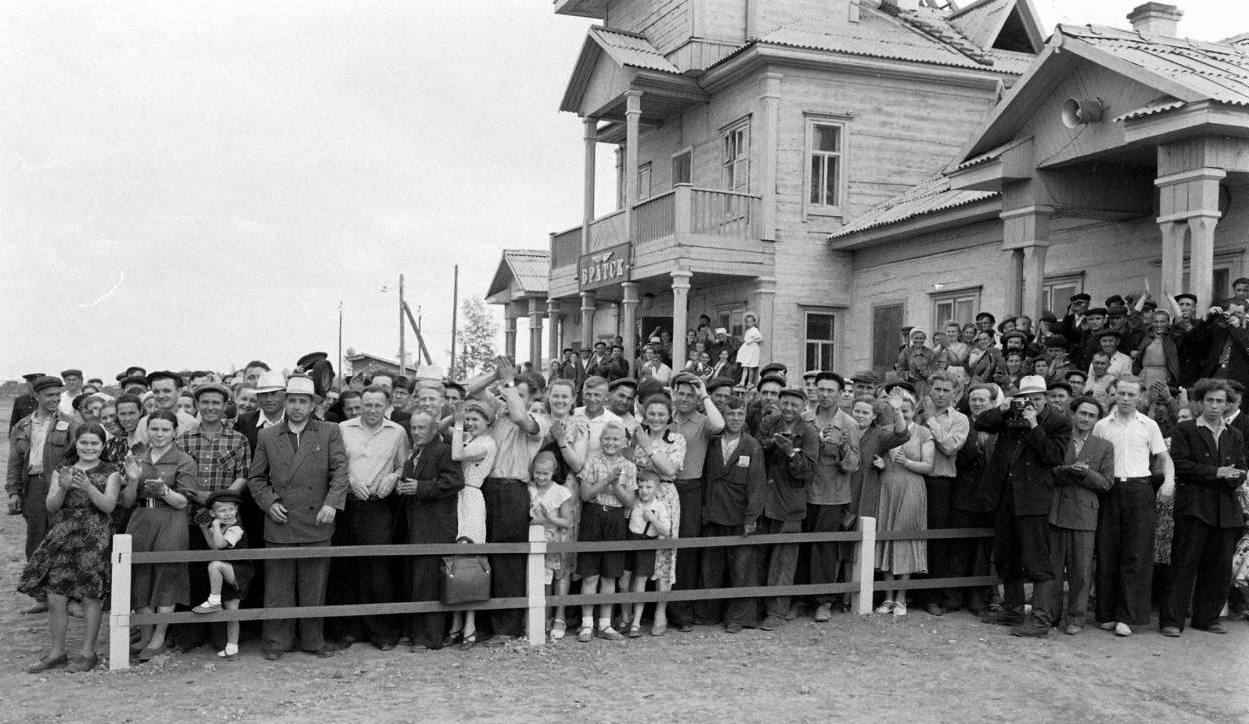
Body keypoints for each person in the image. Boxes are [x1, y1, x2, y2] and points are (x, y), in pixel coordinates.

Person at [247, 374, 349, 660]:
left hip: (317, 521)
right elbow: (256, 478)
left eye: (303, 401)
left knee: (313, 585)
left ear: (313, 404)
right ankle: (277, 642)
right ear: (284, 402)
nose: (296, 407)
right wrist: (269, 503)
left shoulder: (329, 431)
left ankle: (313, 641)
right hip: (280, 521)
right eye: (291, 400)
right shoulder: (267, 435)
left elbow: (340, 471)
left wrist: (331, 503)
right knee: (278, 588)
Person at [975, 375, 1071, 637]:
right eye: (1027, 399)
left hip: (1033, 499)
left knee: (1037, 560)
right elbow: (981, 423)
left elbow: (1053, 456)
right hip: (1005, 497)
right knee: (1006, 556)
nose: (1032, 403)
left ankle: (1040, 620)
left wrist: (1034, 425)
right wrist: (1002, 408)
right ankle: (1012, 610)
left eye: (1038, 398)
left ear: (1046, 397)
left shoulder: (1058, 422)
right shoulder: (1009, 414)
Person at [19, 424, 120, 673]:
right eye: (84, 443)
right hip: (64, 533)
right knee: (56, 594)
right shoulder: (62, 471)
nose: (89, 448)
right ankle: (57, 652)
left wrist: (87, 487)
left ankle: (88, 653)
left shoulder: (111, 472)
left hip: (94, 535)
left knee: (90, 595)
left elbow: (108, 506)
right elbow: (51, 506)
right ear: (76, 443)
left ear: (102, 445)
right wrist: (63, 486)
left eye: (94, 443)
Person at [467, 358, 550, 643]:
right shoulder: (500, 410)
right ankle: (484, 623)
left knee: (509, 559)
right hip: (487, 487)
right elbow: (472, 390)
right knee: (484, 553)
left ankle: (507, 626)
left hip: (513, 490)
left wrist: (510, 383)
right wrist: (495, 374)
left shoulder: (538, 420)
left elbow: (519, 416)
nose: (511, 394)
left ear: (533, 398)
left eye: (521, 393)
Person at [1161, 378, 1247, 636]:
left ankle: (1206, 618)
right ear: (1200, 402)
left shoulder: (1235, 434)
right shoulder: (1185, 430)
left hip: (1225, 510)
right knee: (1184, 565)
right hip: (1195, 507)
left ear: (1227, 405)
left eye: (1220, 401)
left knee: (1219, 568)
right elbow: (1181, 465)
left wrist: (1237, 476)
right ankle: (1171, 621)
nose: (1214, 406)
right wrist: (1217, 472)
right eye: (1209, 400)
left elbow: (1241, 466)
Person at [1092, 376, 1174, 637]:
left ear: (1139, 397)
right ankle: (1105, 613)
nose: (1126, 399)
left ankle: (1128, 617)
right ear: (1114, 394)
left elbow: (1164, 457)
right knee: (1107, 550)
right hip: (1109, 489)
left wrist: (1168, 482)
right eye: (1122, 394)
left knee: (1136, 553)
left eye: (1131, 395)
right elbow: (1093, 459)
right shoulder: (1102, 426)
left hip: (1140, 490)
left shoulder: (1148, 425)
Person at [175, 382, 252, 653]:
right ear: (197, 405)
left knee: (224, 575)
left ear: (225, 406)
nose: (210, 407)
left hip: (226, 522)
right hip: (193, 517)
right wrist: (205, 501)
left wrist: (222, 502)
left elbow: (244, 475)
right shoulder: (183, 439)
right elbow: (181, 481)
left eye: (216, 403)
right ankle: (192, 634)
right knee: (195, 574)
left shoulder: (238, 439)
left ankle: (221, 635)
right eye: (205, 402)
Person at [336, 385, 408, 650]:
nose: (372, 410)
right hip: (348, 502)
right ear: (360, 405)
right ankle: (349, 630)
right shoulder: (344, 429)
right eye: (368, 405)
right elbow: (336, 464)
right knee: (347, 567)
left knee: (378, 569)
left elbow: (405, 465)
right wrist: (351, 480)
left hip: (378, 505)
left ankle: (382, 632)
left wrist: (393, 476)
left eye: (378, 405)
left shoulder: (397, 432)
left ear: (387, 406)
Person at [123, 410, 196, 660]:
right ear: (148, 430)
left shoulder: (184, 460)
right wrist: (133, 480)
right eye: (155, 428)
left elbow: (183, 502)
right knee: (140, 577)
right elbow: (127, 501)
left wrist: (164, 491)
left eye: (165, 429)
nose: (160, 434)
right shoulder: (138, 457)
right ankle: (145, 634)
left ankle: (159, 637)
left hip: (170, 520)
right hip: (141, 519)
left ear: (175, 432)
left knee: (167, 576)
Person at [9, 375, 80, 615]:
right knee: (36, 541)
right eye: (49, 395)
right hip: (33, 487)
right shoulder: (22, 426)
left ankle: (66, 596)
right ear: (36, 397)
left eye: (57, 396)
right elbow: (15, 462)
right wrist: (13, 491)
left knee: (63, 541)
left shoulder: (69, 424)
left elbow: (77, 459)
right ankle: (41, 596)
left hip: (60, 488)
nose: (55, 400)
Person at [1047, 397, 1115, 635]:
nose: (1085, 419)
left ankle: (1076, 618)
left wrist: (1087, 474)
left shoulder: (1104, 446)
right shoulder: (1059, 439)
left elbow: (1107, 484)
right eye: (1082, 413)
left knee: (1081, 571)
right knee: (1053, 569)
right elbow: (1047, 471)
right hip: (1056, 510)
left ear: (1097, 420)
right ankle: (1050, 615)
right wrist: (1067, 471)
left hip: (1085, 515)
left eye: (1091, 415)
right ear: (1072, 414)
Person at [699, 396, 766, 632]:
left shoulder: (752, 445)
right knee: (711, 567)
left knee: (742, 569)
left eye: (739, 414)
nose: (735, 419)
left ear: (745, 416)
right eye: (730, 414)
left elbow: (757, 485)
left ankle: (739, 617)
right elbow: (706, 479)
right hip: (714, 514)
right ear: (723, 415)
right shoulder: (713, 442)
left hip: (739, 517)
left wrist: (751, 517)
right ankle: (709, 613)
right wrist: (705, 511)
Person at [756, 388, 818, 630]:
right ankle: (755, 608)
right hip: (764, 501)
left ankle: (777, 612)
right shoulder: (769, 422)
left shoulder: (809, 432)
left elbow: (808, 473)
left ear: (802, 407)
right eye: (785, 403)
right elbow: (757, 447)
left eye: (794, 404)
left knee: (784, 560)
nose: (789, 408)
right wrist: (773, 443)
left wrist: (791, 452)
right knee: (759, 557)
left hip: (790, 503)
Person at [666, 373, 724, 630]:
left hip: (690, 490)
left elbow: (720, 425)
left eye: (691, 394)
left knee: (686, 550)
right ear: (674, 393)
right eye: (681, 393)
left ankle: (682, 611)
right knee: (661, 545)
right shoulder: (663, 418)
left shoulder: (702, 422)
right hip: (663, 487)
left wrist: (704, 394)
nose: (685, 399)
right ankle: (656, 607)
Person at [575, 420, 637, 642]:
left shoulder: (629, 467)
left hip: (615, 518)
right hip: (593, 515)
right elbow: (585, 494)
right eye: (607, 439)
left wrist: (616, 485)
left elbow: (629, 501)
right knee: (590, 574)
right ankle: (586, 623)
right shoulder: (592, 461)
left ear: (624, 442)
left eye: (616, 439)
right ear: (600, 441)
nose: (611, 443)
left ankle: (605, 623)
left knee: (610, 574)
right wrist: (608, 480)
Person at [806, 372, 861, 621]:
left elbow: (853, 465)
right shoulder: (805, 419)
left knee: (825, 549)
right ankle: (802, 598)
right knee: (804, 546)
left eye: (830, 390)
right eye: (822, 389)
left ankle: (824, 601)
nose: (825, 395)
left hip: (833, 496)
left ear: (840, 394)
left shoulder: (849, 423)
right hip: (805, 493)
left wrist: (840, 446)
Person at [874, 390, 932, 617]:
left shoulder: (923, 433)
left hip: (911, 487)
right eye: (897, 411)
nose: (902, 415)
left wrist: (906, 461)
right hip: (888, 486)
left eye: (905, 411)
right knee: (887, 536)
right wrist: (880, 463)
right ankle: (887, 597)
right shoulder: (886, 432)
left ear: (913, 411)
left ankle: (901, 598)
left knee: (905, 538)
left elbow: (928, 466)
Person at [632, 395, 686, 635]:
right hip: (641, 494)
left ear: (669, 416)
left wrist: (649, 447)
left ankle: (660, 611)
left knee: (665, 554)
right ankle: (633, 615)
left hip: (665, 494)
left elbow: (670, 469)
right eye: (651, 413)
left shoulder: (677, 439)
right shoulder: (636, 437)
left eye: (661, 414)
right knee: (640, 552)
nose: (656, 418)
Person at [918, 372, 968, 616]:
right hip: (913, 479)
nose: (940, 394)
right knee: (911, 533)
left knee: (936, 540)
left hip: (940, 483)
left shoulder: (959, 419)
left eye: (946, 390)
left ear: (955, 393)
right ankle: (904, 593)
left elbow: (949, 447)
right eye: (936, 389)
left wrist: (930, 420)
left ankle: (932, 596)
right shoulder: (916, 412)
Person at [448, 400, 497, 648]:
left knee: (470, 558)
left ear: (488, 422)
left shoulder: (486, 443)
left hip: (471, 497)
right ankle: (456, 622)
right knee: (455, 558)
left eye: (476, 419)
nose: (470, 423)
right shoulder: (468, 438)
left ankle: (470, 624)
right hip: (457, 498)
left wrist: (457, 423)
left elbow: (457, 454)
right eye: (468, 419)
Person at [190, 491, 253, 659]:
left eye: (231, 510)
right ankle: (232, 647)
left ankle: (214, 600)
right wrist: (205, 528)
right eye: (222, 511)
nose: (228, 514)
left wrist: (216, 526)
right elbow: (213, 546)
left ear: (237, 510)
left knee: (214, 565)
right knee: (232, 611)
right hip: (224, 575)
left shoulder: (236, 529)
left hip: (239, 571)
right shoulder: (219, 527)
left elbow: (220, 543)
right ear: (213, 513)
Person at [528, 451, 574, 641]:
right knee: (541, 580)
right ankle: (543, 617)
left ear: (553, 472)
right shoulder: (528, 489)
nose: (540, 477)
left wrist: (549, 518)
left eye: (545, 474)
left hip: (555, 538)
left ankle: (559, 618)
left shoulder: (561, 492)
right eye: (537, 473)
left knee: (559, 577)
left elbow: (567, 522)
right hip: (534, 538)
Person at [625, 477, 673, 637]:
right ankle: (626, 616)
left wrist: (652, 519)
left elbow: (666, 531)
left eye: (649, 487)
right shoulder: (634, 503)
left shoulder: (659, 507)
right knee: (624, 581)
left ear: (657, 490)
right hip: (630, 542)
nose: (644, 490)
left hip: (646, 544)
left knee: (640, 581)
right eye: (641, 486)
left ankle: (636, 622)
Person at [136, 371, 199, 444]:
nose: (161, 396)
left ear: (179, 392)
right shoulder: (144, 423)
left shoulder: (191, 424)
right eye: (156, 392)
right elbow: (138, 453)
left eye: (166, 391)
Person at [736, 313, 763, 387]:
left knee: (751, 367)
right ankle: (742, 382)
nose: (749, 323)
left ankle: (749, 382)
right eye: (747, 322)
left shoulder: (755, 330)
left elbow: (760, 338)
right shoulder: (748, 331)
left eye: (751, 322)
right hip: (747, 350)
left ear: (754, 322)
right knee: (745, 366)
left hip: (752, 349)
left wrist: (752, 340)